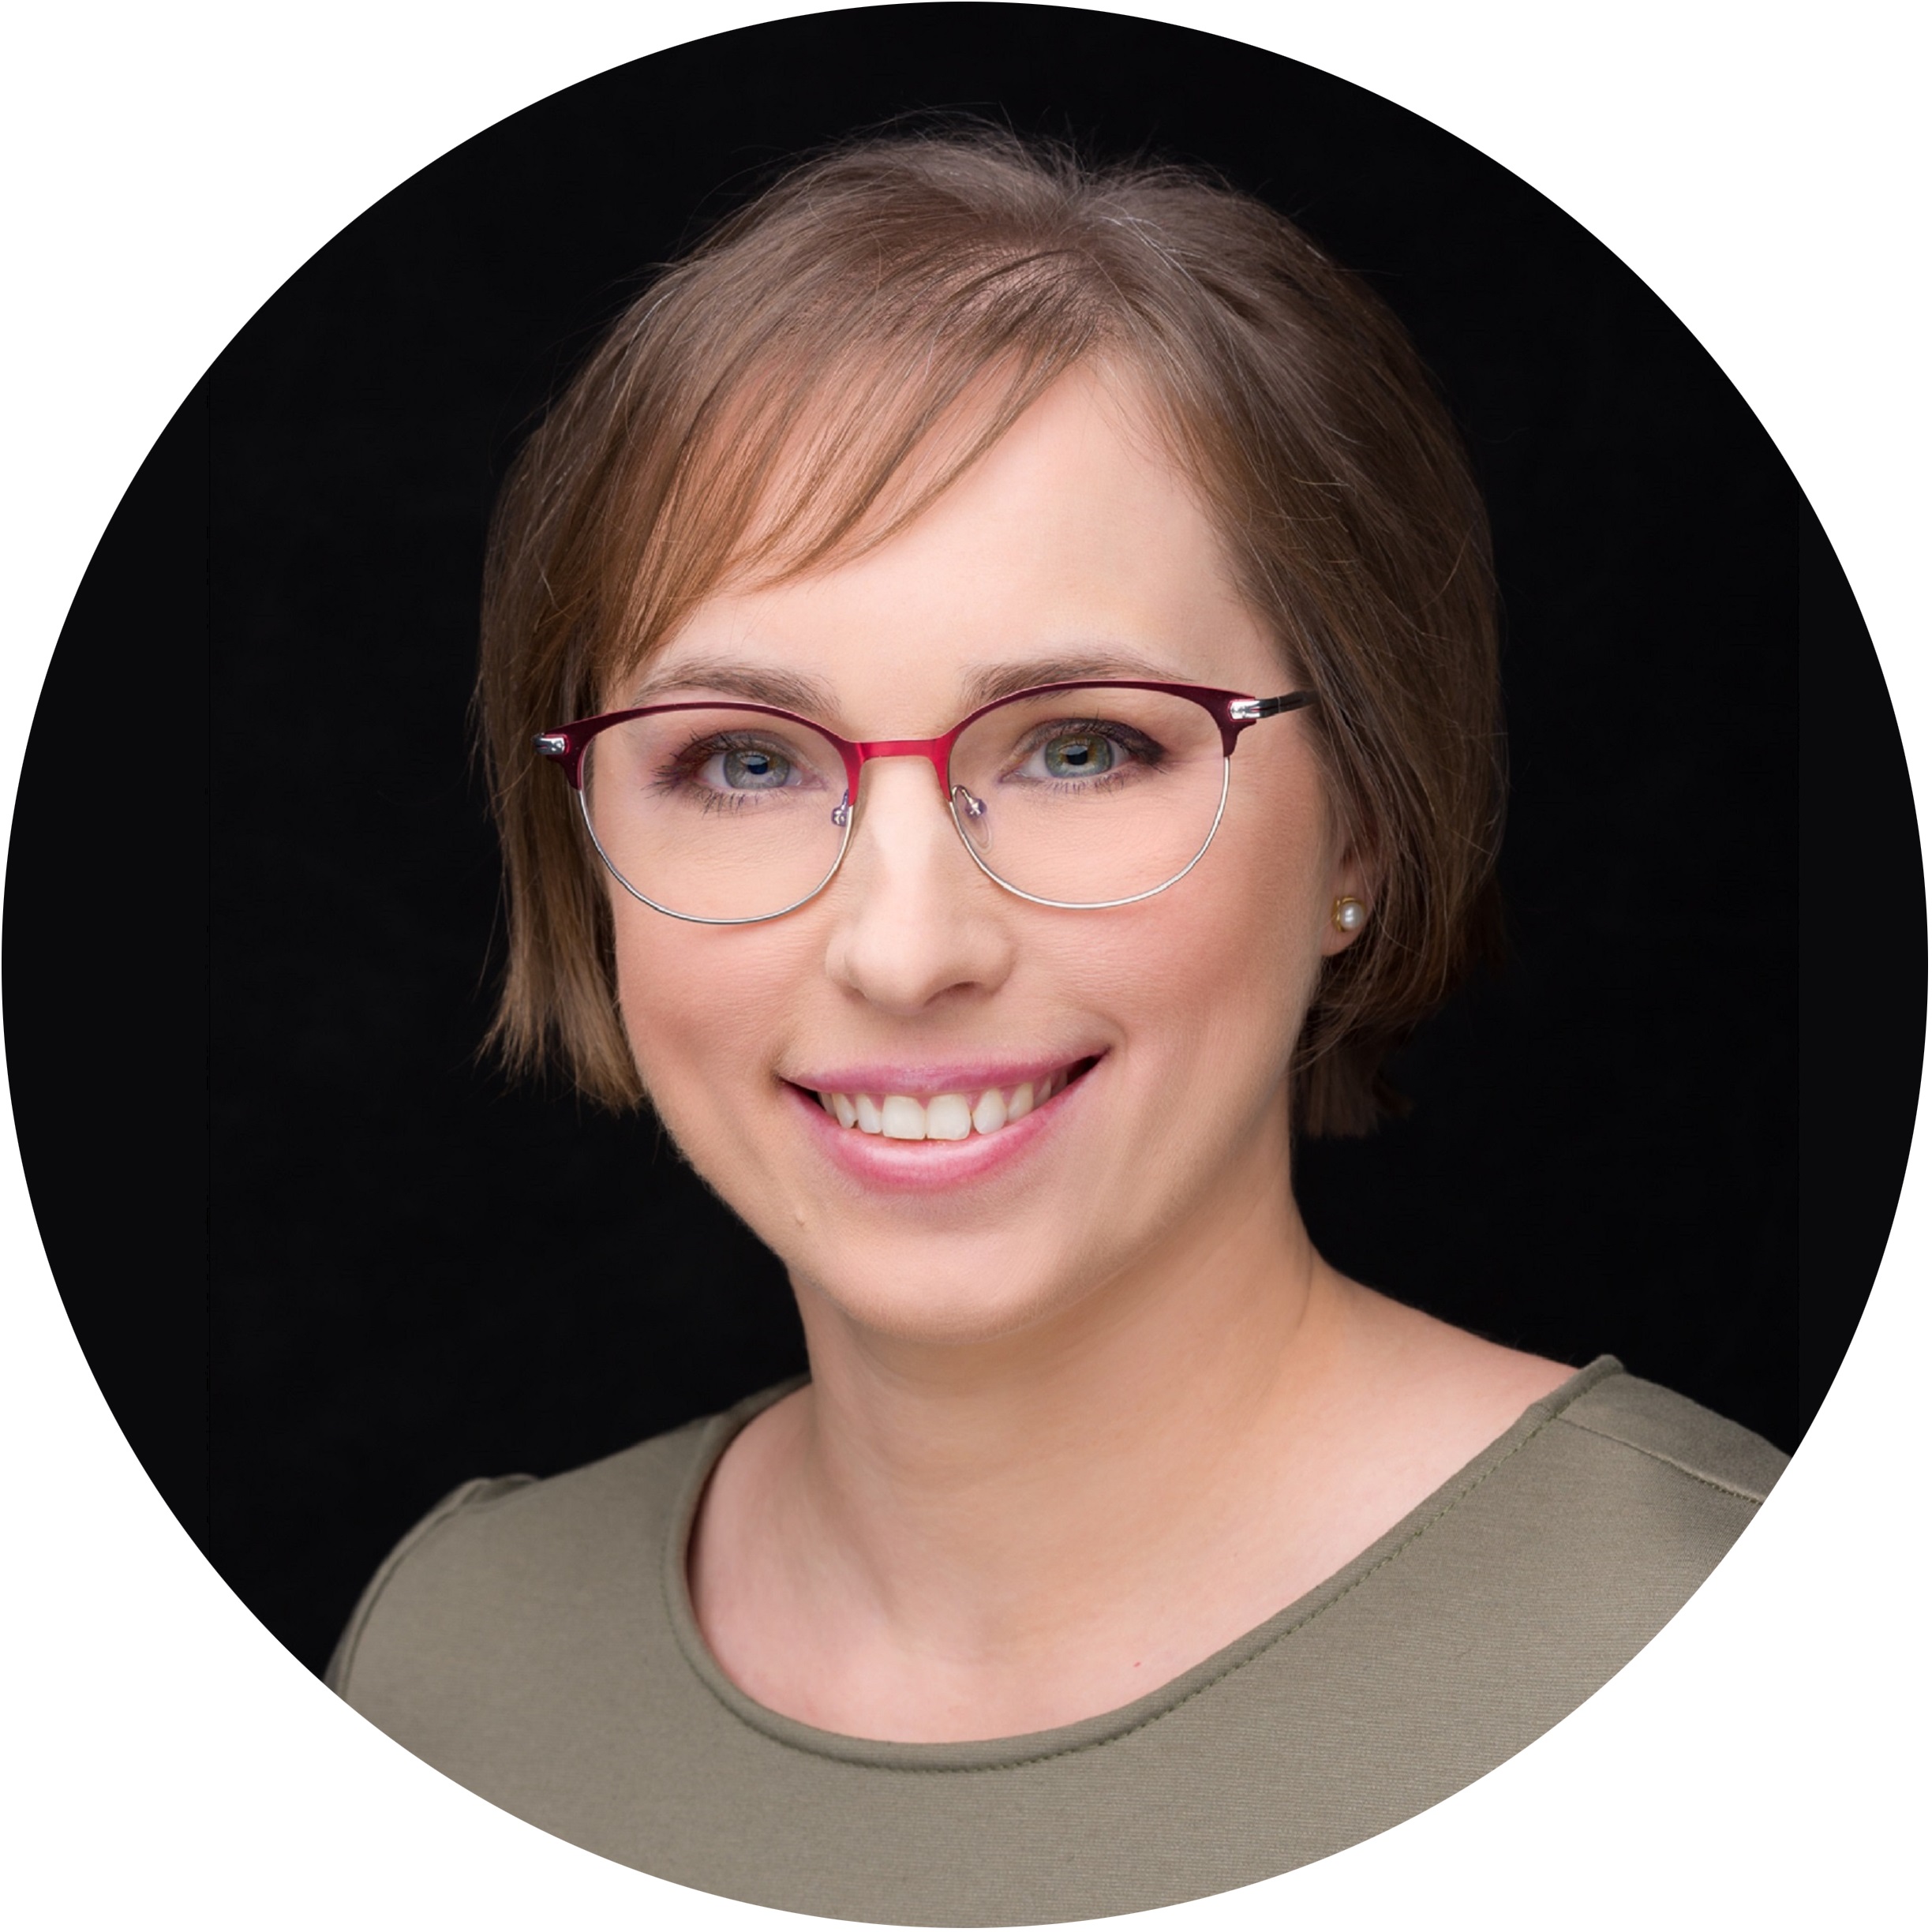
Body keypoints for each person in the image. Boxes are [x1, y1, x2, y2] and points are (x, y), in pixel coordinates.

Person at [326, 129, 1784, 1923]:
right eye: (744, 762)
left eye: (1083, 746)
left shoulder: (1724, 1647)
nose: (905, 946)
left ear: (1363, 830)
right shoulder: (450, 1670)